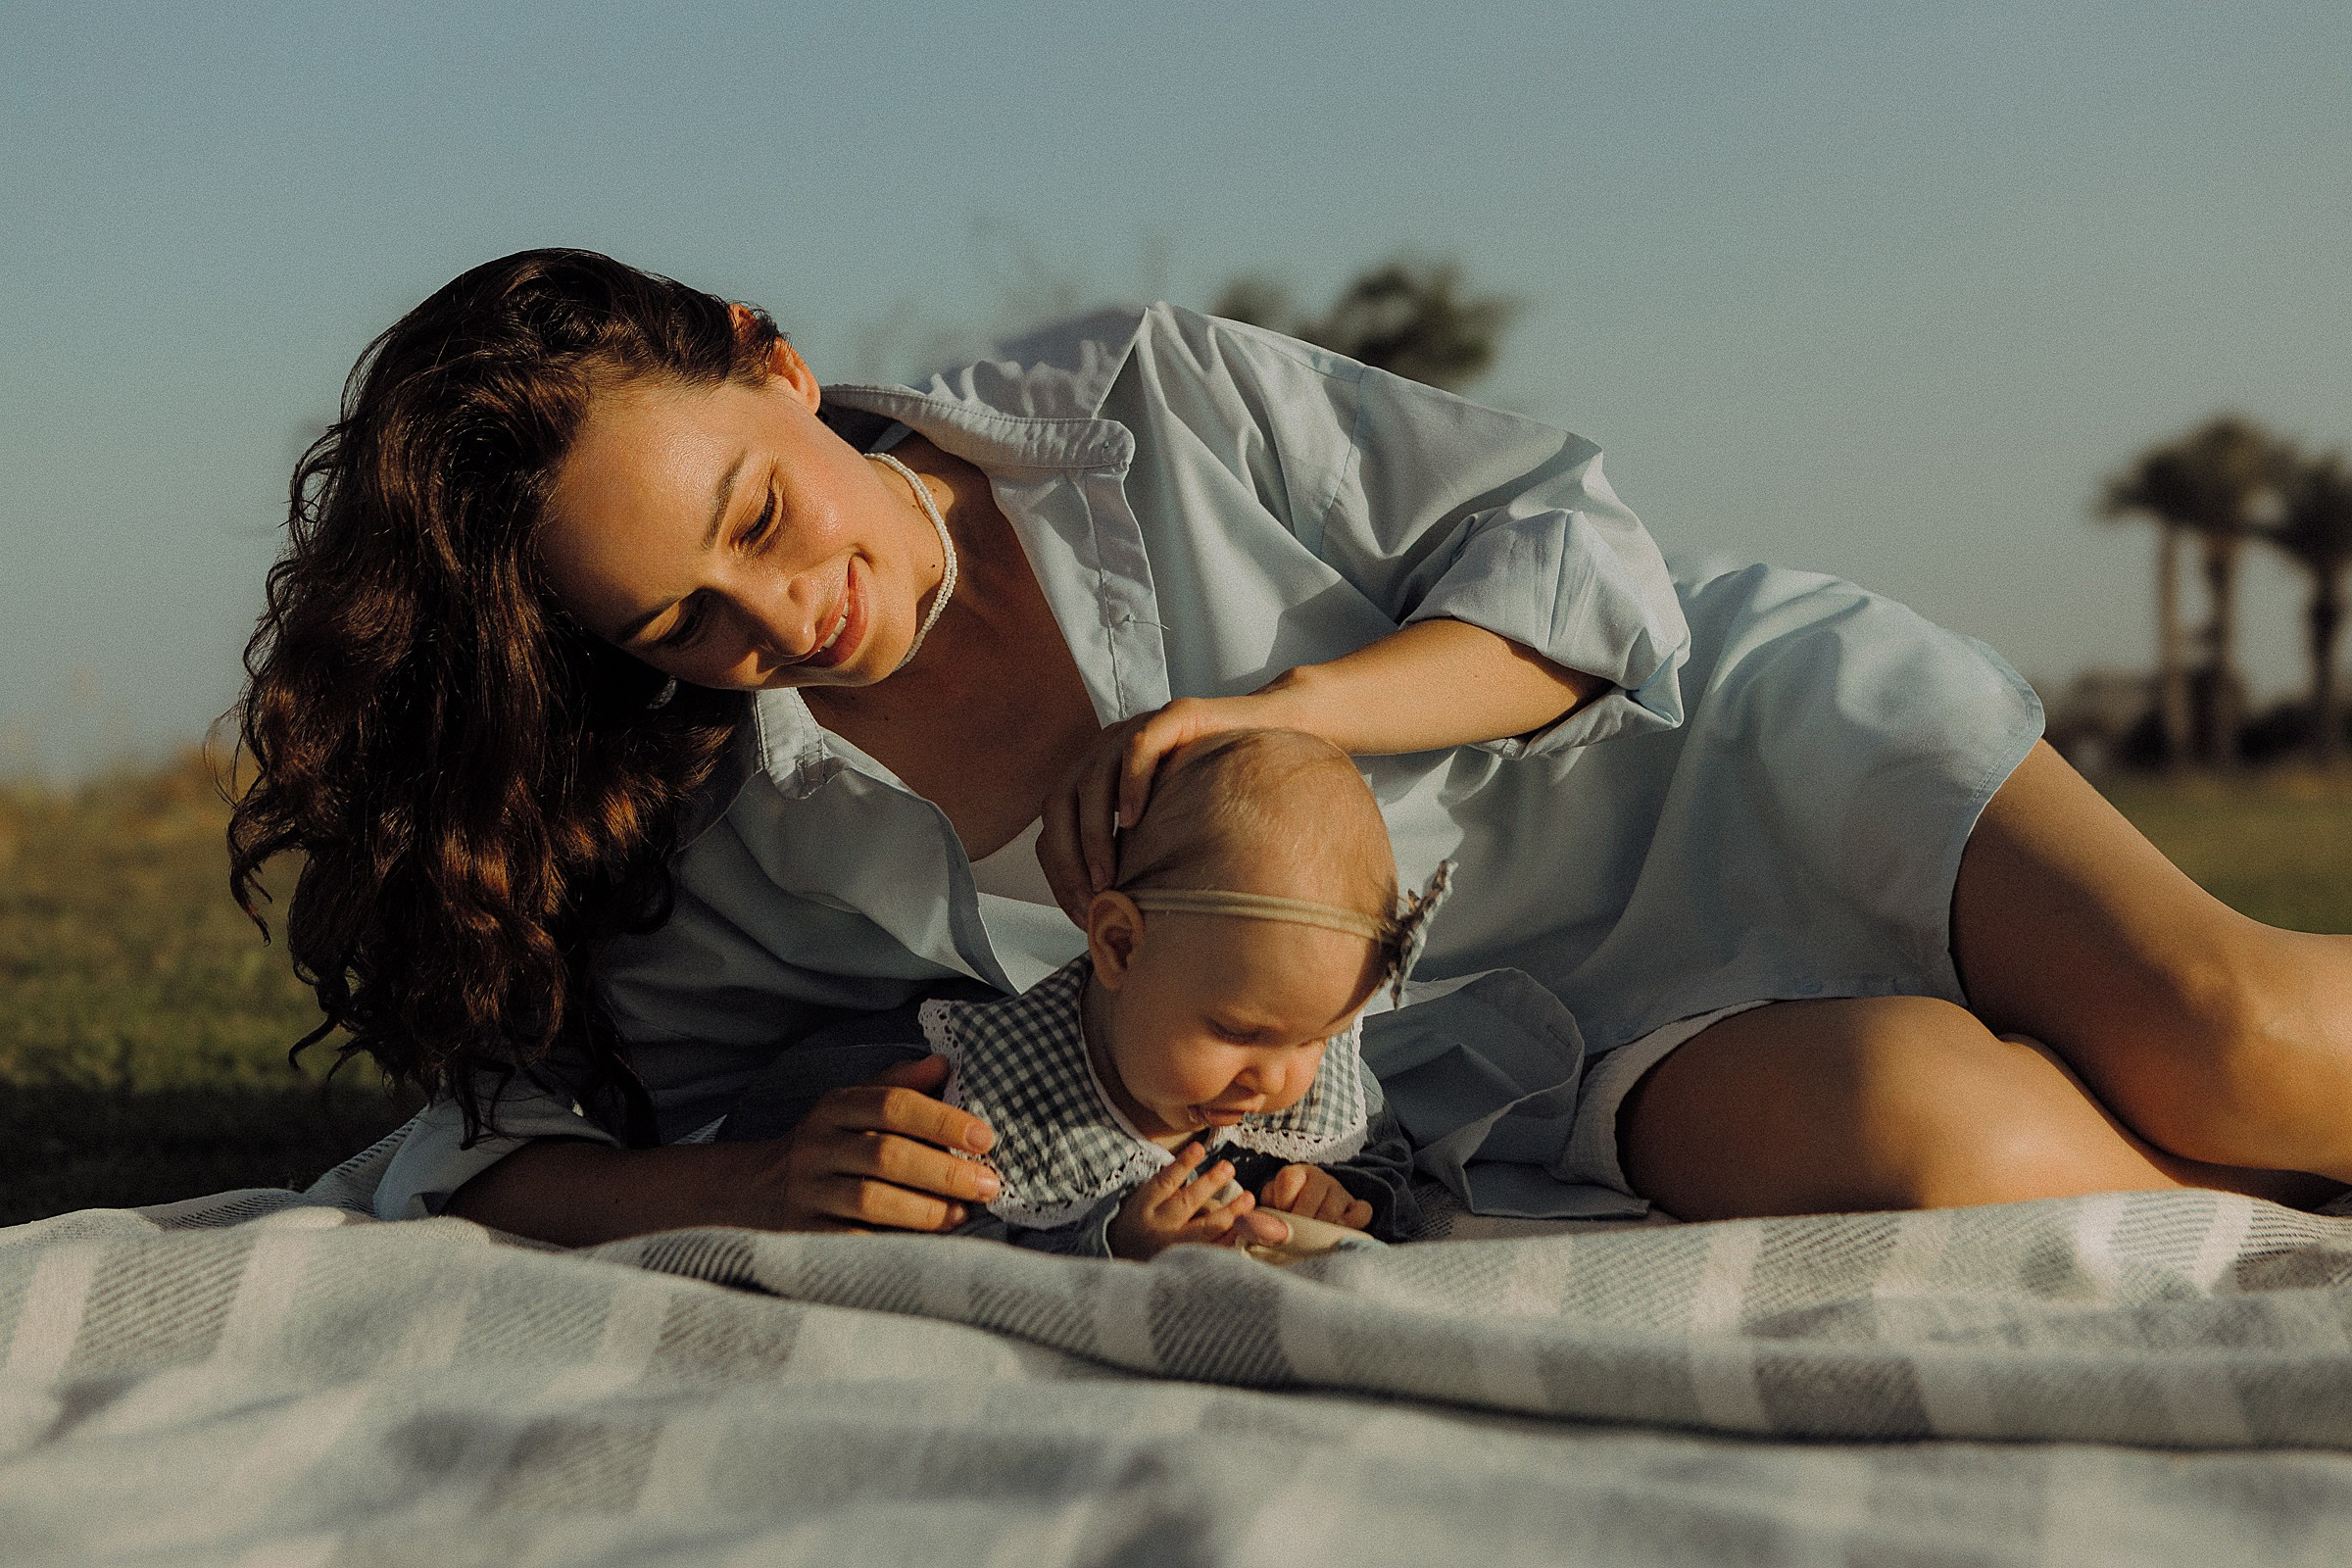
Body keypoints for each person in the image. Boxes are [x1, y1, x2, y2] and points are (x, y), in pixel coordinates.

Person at [233, 248, 2352, 1247]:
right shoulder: (735, 836)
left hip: (1726, 752)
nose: (780, 618)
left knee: (2235, 1034)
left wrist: (1283, 710)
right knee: (1938, 1142)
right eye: (679, 621)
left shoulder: (1137, 399)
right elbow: (487, 1147)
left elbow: (1577, 562)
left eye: (757, 516)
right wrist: (742, 1176)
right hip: (1538, 1061)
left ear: (773, 364)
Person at [897, 726, 1427, 1260]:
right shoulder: (994, 1098)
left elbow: (1391, 1174)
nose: (1273, 1080)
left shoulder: (1311, 1066)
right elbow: (954, 1258)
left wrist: (1344, 1196)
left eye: (1315, 1039)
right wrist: (1112, 1247)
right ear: (1121, 946)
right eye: (1236, 1031)